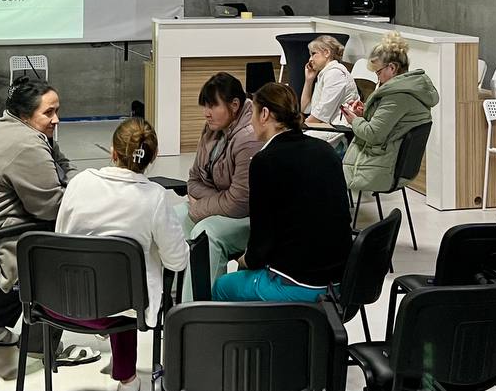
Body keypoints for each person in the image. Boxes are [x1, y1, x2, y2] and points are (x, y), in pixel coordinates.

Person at [0, 80, 99, 366]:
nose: (56, 119)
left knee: (40, 233)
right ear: (26, 114)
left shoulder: (10, 127)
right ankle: (43, 345)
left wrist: (79, 184)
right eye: (48, 113)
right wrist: (95, 199)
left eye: (57, 110)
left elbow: (62, 165)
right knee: (57, 240)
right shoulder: (26, 144)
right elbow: (50, 207)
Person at [54, 118, 188, 391]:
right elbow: (177, 260)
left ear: (112, 152)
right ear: (153, 157)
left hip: (61, 303)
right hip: (119, 310)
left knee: (111, 279)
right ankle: (127, 380)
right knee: (127, 289)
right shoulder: (155, 197)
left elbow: (61, 236)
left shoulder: (79, 182)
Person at [212, 83, 351, 302]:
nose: (250, 121)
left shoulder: (264, 161)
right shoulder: (325, 150)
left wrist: (244, 260)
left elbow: (261, 241)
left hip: (300, 286)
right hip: (342, 283)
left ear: (265, 114)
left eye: (253, 113)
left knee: (222, 286)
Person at [175, 73, 260, 300]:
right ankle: (171, 299)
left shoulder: (249, 138)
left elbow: (239, 203)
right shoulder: (212, 128)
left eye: (212, 106)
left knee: (206, 234)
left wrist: (199, 207)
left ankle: (201, 308)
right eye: (205, 105)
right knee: (172, 218)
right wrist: (215, 199)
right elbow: (193, 180)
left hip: (251, 216)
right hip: (221, 205)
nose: (206, 113)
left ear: (235, 105)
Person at [340, 31, 439, 192]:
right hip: (389, 166)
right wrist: (365, 114)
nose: (378, 79)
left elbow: (373, 135)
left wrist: (354, 120)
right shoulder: (408, 92)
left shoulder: (396, 98)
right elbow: (389, 125)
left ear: (392, 68)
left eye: (378, 72)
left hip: (379, 169)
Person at [300, 34, 359, 147]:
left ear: (326, 53)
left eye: (313, 54)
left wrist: (298, 128)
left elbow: (321, 115)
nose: (310, 59)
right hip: (325, 125)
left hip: (338, 129)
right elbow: (305, 108)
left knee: (294, 143)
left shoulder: (335, 74)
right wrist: (308, 80)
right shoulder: (325, 73)